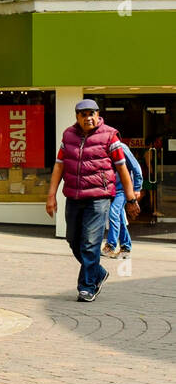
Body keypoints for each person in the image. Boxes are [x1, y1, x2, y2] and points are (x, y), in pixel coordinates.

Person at [46, 99, 139, 301]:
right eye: (84, 114)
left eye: (92, 113)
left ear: (98, 115)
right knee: (73, 240)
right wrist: (51, 195)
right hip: (73, 196)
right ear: (77, 117)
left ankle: (87, 286)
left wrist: (130, 198)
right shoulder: (68, 136)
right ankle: (98, 272)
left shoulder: (110, 136)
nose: (88, 118)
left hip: (99, 197)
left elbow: (123, 168)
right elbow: (59, 166)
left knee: (90, 242)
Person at [103, 141, 144, 260]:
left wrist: (137, 188)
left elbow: (136, 167)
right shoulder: (101, 147)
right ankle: (126, 247)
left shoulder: (121, 147)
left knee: (113, 213)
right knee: (119, 218)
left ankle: (110, 246)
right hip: (111, 189)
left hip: (123, 189)